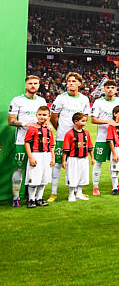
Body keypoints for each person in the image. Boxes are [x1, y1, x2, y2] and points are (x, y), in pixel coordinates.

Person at [49, 72, 91, 202]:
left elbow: (85, 118)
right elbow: (53, 117)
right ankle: (53, 193)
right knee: (57, 164)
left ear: (79, 83)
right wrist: (62, 131)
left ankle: (78, 192)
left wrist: (76, 132)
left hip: (79, 139)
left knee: (78, 165)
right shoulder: (61, 98)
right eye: (69, 81)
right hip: (62, 138)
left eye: (73, 81)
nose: (71, 83)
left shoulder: (84, 99)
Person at [8, 75, 47, 207]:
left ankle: (32, 197)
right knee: (19, 169)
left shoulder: (41, 101)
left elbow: (45, 119)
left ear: (38, 85)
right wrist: (27, 124)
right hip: (21, 141)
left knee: (37, 169)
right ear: (26, 85)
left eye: (35, 83)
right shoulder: (17, 100)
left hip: (38, 143)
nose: (33, 86)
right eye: (30, 83)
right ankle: (15, 197)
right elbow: (11, 121)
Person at [90, 79, 119, 196]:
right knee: (98, 162)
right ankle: (95, 187)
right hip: (102, 138)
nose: (110, 89)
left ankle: (115, 186)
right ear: (104, 89)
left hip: (116, 139)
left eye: (112, 87)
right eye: (108, 87)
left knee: (115, 162)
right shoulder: (98, 102)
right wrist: (109, 122)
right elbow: (93, 119)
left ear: (116, 89)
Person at [23, 105, 53, 208]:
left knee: (44, 179)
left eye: (44, 115)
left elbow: (51, 145)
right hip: (36, 155)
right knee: (34, 179)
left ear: (49, 116)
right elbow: (27, 143)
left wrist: (52, 157)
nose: (42, 117)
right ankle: (31, 199)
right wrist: (31, 157)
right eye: (40, 114)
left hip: (47, 155)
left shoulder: (49, 129)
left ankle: (39, 198)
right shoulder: (32, 129)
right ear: (36, 115)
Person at [62, 112, 94, 202]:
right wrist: (64, 161)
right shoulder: (69, 134)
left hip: (84, 158)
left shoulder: (86, 133)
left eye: (85, 121)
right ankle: (71, 195)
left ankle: (79, 193)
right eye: (83, 121)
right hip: (73, 159)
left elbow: (90, 147)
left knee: (82, 176)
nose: (85, 123)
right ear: (76, 122)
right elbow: (66, 149)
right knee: (73, 176)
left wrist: (92, 157)